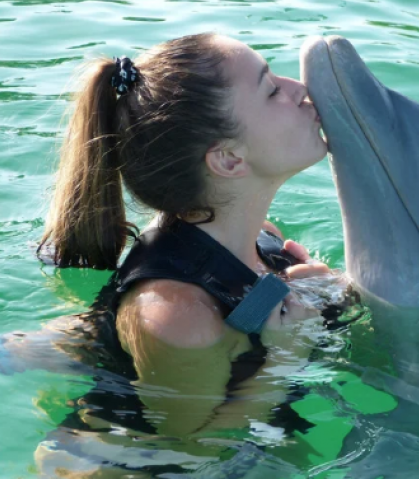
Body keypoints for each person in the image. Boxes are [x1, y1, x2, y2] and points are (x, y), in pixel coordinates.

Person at [37, 32, 333, 443]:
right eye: (270, 91)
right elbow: (191, 450)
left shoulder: (263, 240)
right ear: (228, 159)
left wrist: (322, 290)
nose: (300, 88)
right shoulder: (177, 314)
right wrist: (286, 357)